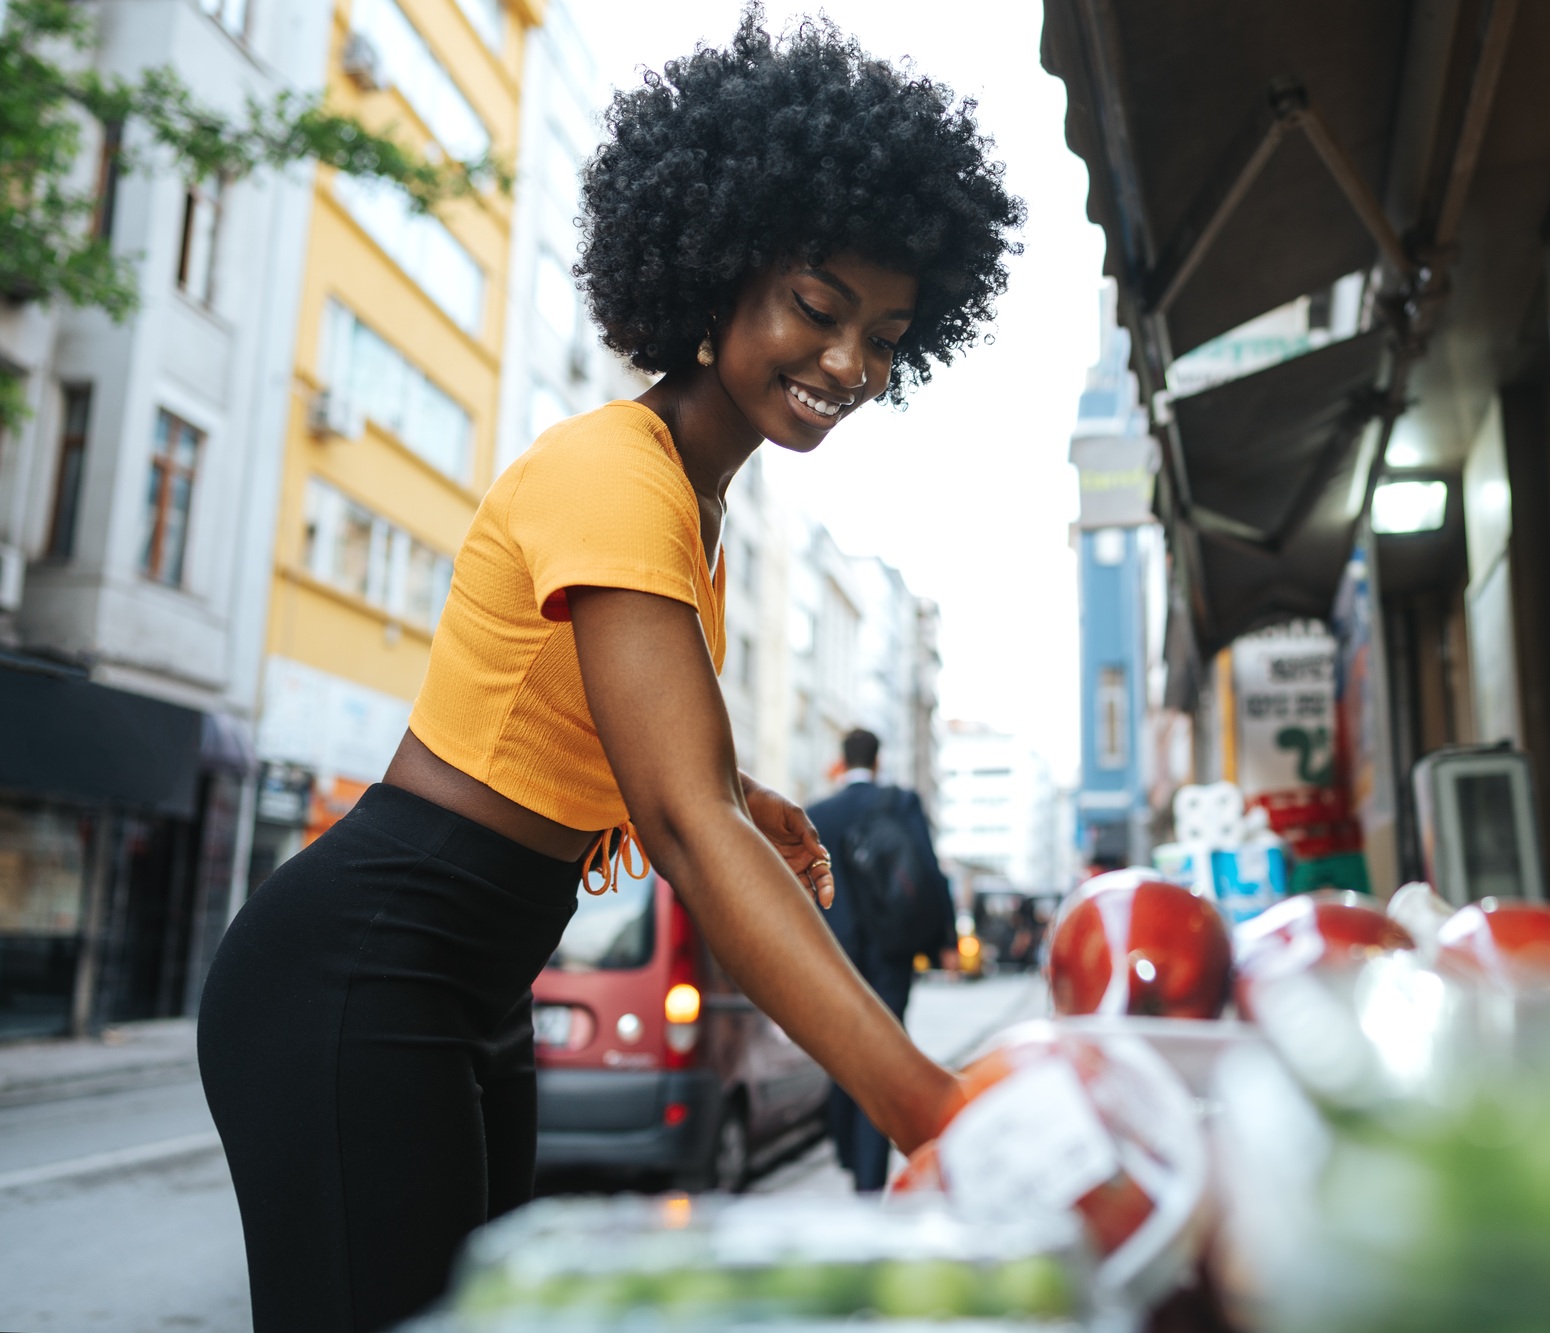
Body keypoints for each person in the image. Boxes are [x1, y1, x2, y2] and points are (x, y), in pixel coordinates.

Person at [195, 13, 1022, 1331]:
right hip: (360, 971)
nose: (851, 364)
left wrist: (741, 791)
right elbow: (679, 822)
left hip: (471, 987)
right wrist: (933, 1107)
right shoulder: (614, 474)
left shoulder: (692, 506)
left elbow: (597, 743)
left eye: (886, 333)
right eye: (818, 308)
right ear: (714, 271)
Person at [807, 729, 953, 1190]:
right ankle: (869, 1181)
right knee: (882, 1056)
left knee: (842, 1053)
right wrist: (941, 941)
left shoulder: (819, 815)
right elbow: (929, 873)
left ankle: (851, 1156)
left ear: (840, 759)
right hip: (891, 954)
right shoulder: (900, 803)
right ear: (878, 759)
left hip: (835, 957)